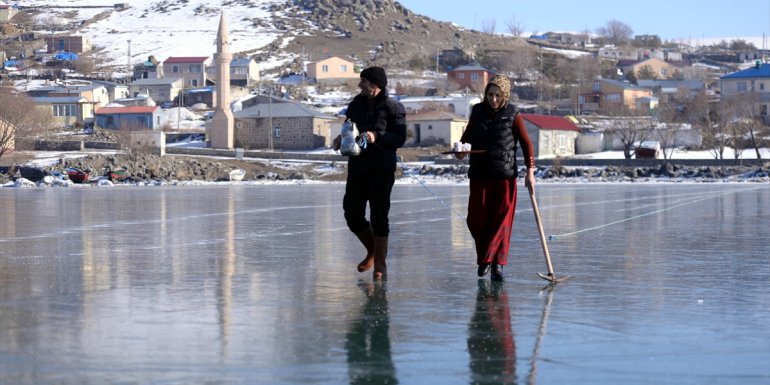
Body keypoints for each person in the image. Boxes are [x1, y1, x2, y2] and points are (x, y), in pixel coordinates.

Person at [456, 74, 535, 282]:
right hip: (480, 175)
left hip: (505, 176)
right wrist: (461, 150)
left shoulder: (513, 114)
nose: (493, 99)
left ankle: (496, 264)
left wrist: (531, 172)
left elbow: (527, 144)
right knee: (475, 219)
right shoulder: (478, 112)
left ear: (505, 95)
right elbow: (467, 139)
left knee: (501, 222)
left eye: (498, 95)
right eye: (490, 94)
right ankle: (485, 257)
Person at [333, 66, 407, 279]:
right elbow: (348, 129)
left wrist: (377, 136)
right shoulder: (355, 105)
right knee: (352, 212)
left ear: (375, 84)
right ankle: (373, 251)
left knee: (379, 216)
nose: (360, 85)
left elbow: (399, 137)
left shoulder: (394, 107)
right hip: (357, 168)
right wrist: (340, 140)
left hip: (381, 169)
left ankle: (380, 265)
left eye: (363, 81)